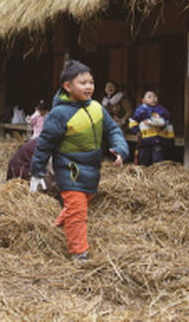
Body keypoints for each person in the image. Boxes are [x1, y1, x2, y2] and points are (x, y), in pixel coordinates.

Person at [30, 60, 128, 261]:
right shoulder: (59, 114)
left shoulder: (97, 108)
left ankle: (60, 224)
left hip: (92, 168)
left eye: (91, 82)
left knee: (82, 202)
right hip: (69, 168)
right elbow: (44, 144)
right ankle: (79, 253)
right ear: (68, 86)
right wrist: (37, 170)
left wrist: (120, 149)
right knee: (78, 210)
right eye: (82, 83)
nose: (89, 86)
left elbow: (113, 130)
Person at [128, 90, 174, 166]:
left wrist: (151, 122)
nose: (153, 99)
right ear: (143, 100)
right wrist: (136, 130)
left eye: (155, 96)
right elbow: (133, 120)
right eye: (149, 97)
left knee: (157, 157)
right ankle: (144, 170)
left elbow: (165, 122)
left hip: (158, 139)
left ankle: (157, 172)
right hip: (144, 139)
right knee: (144, 157)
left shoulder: (162, 110)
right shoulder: (140, 110)